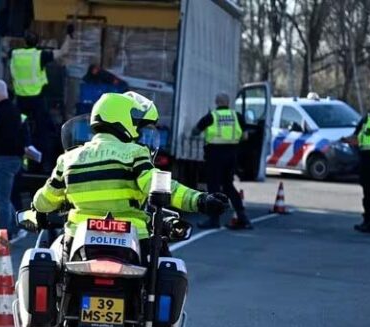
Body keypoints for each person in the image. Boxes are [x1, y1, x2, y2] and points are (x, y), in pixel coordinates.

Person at [32, 91, 229, 258]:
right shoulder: (134, 153)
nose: (137, 128)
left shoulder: (69, 158)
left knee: (50, 264)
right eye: (135, 121)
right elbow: (156, 185)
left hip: (77, 241)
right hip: (132, 241)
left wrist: (35, 209)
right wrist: (200, 200)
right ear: (122, 118)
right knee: (164, 269)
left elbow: (45, 200)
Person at [9, 27, 73, 170]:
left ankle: (19, 160)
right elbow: (63, 52)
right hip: (36, 99)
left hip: (20, 100)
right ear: (37, 42)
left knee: (18, 131)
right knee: (44, 131)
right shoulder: (39, 55)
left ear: (25, 41)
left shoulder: (15, 54)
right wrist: (69, 35)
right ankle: (44, 163)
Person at [190, 92, 252, 230]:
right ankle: (243, 218)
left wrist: (198, 134)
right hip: (231, 155)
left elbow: (195, 131)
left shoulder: (212, 116)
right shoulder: (237, 116)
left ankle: (214, 219)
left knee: (213, 187)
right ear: (228, 103)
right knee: (228, 186)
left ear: (216, 102)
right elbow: (245, 136)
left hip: (214, 155)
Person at [0, 80, 27, 249]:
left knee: (1, 200)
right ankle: (15, 229)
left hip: (4, 159)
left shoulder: (2, 112)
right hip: (13, 159)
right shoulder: (14, 110)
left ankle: (3, 238)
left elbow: (0, 138)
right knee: (5, 198)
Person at [344, 93, 370, 233]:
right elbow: (356, 137)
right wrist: (348, 141)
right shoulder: (366, 119)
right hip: (366, 161)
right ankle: (368, 221)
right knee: (368, 195)